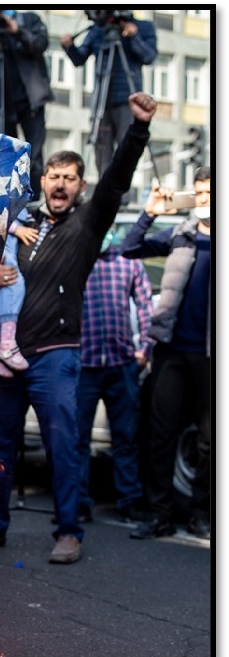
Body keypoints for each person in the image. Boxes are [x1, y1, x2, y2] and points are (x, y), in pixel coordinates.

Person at [0, 92, 157, 565]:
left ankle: (69, 532)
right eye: (54, 176)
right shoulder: (22, 222)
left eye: (69, 178)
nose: (60, 184)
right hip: (8, 358)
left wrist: (138, 129)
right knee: (0, 447)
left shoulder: (87, 225)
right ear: (42, 181)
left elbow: (116, 180)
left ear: (79, 186)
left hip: (57, 356)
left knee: (63, 447)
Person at [123, 168, 211, 541]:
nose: (205, 198)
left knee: (210, 442)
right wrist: (151, 212)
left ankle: (202, 514)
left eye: (211, 191)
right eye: (200, 192)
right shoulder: (181, 233)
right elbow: (129, 247)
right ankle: (159, 513)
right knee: (161, 434)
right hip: (172, 350)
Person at [75, 225, 154, 524]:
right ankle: (79, 502)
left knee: (126, 437)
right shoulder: (79, 258)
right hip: (84, 363)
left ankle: (129, 500)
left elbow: (146, 305)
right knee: (78, 439)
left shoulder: (129, 260)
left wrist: (145, 349)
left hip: (122, 364)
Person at [61, 13, 157, 177]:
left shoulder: (142, 27)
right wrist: (69, 47)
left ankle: (123, 197)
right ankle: (103, 194)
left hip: (129, 100)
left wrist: (134, 36)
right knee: (101, 150)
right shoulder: (98, 30)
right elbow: (79, 59)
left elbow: (149, 57)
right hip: (102, 101)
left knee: (126, 149)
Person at [0, 10, 52, 199]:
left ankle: (32, 203)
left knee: (33, 157)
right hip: (3, 102)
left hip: (30, 101)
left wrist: (17, 30)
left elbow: (39, 45)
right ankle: (3, 200)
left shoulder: (29, 19)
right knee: (2, 153)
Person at [0, 214, 38, 377]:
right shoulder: (8, 191)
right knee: (15, 283)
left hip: (2, 242)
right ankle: (6, 343)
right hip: (3, 244)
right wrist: (17, 229)